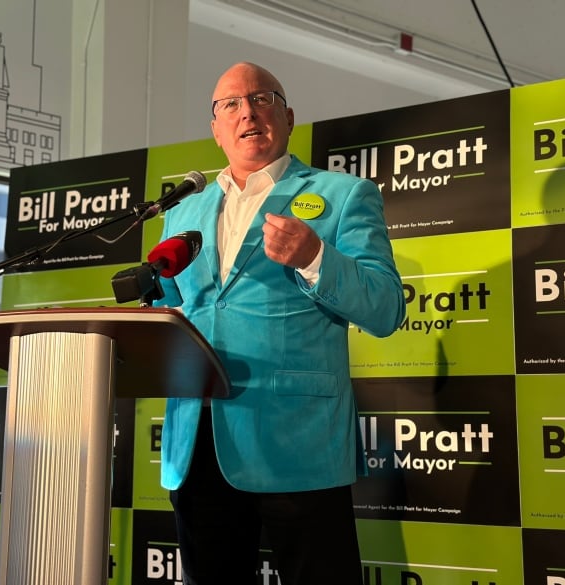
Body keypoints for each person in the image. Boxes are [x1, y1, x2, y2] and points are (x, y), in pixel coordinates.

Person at [153, 62, 406, 585]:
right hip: (200, 444)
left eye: (262, 99)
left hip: (299, 443)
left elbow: (385, 308)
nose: (248, 112)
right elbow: (172, 314)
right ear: (216, 129)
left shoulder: (345, 196)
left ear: (287, 117)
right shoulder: (181, 211)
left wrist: (317, 256)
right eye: (231, 105)